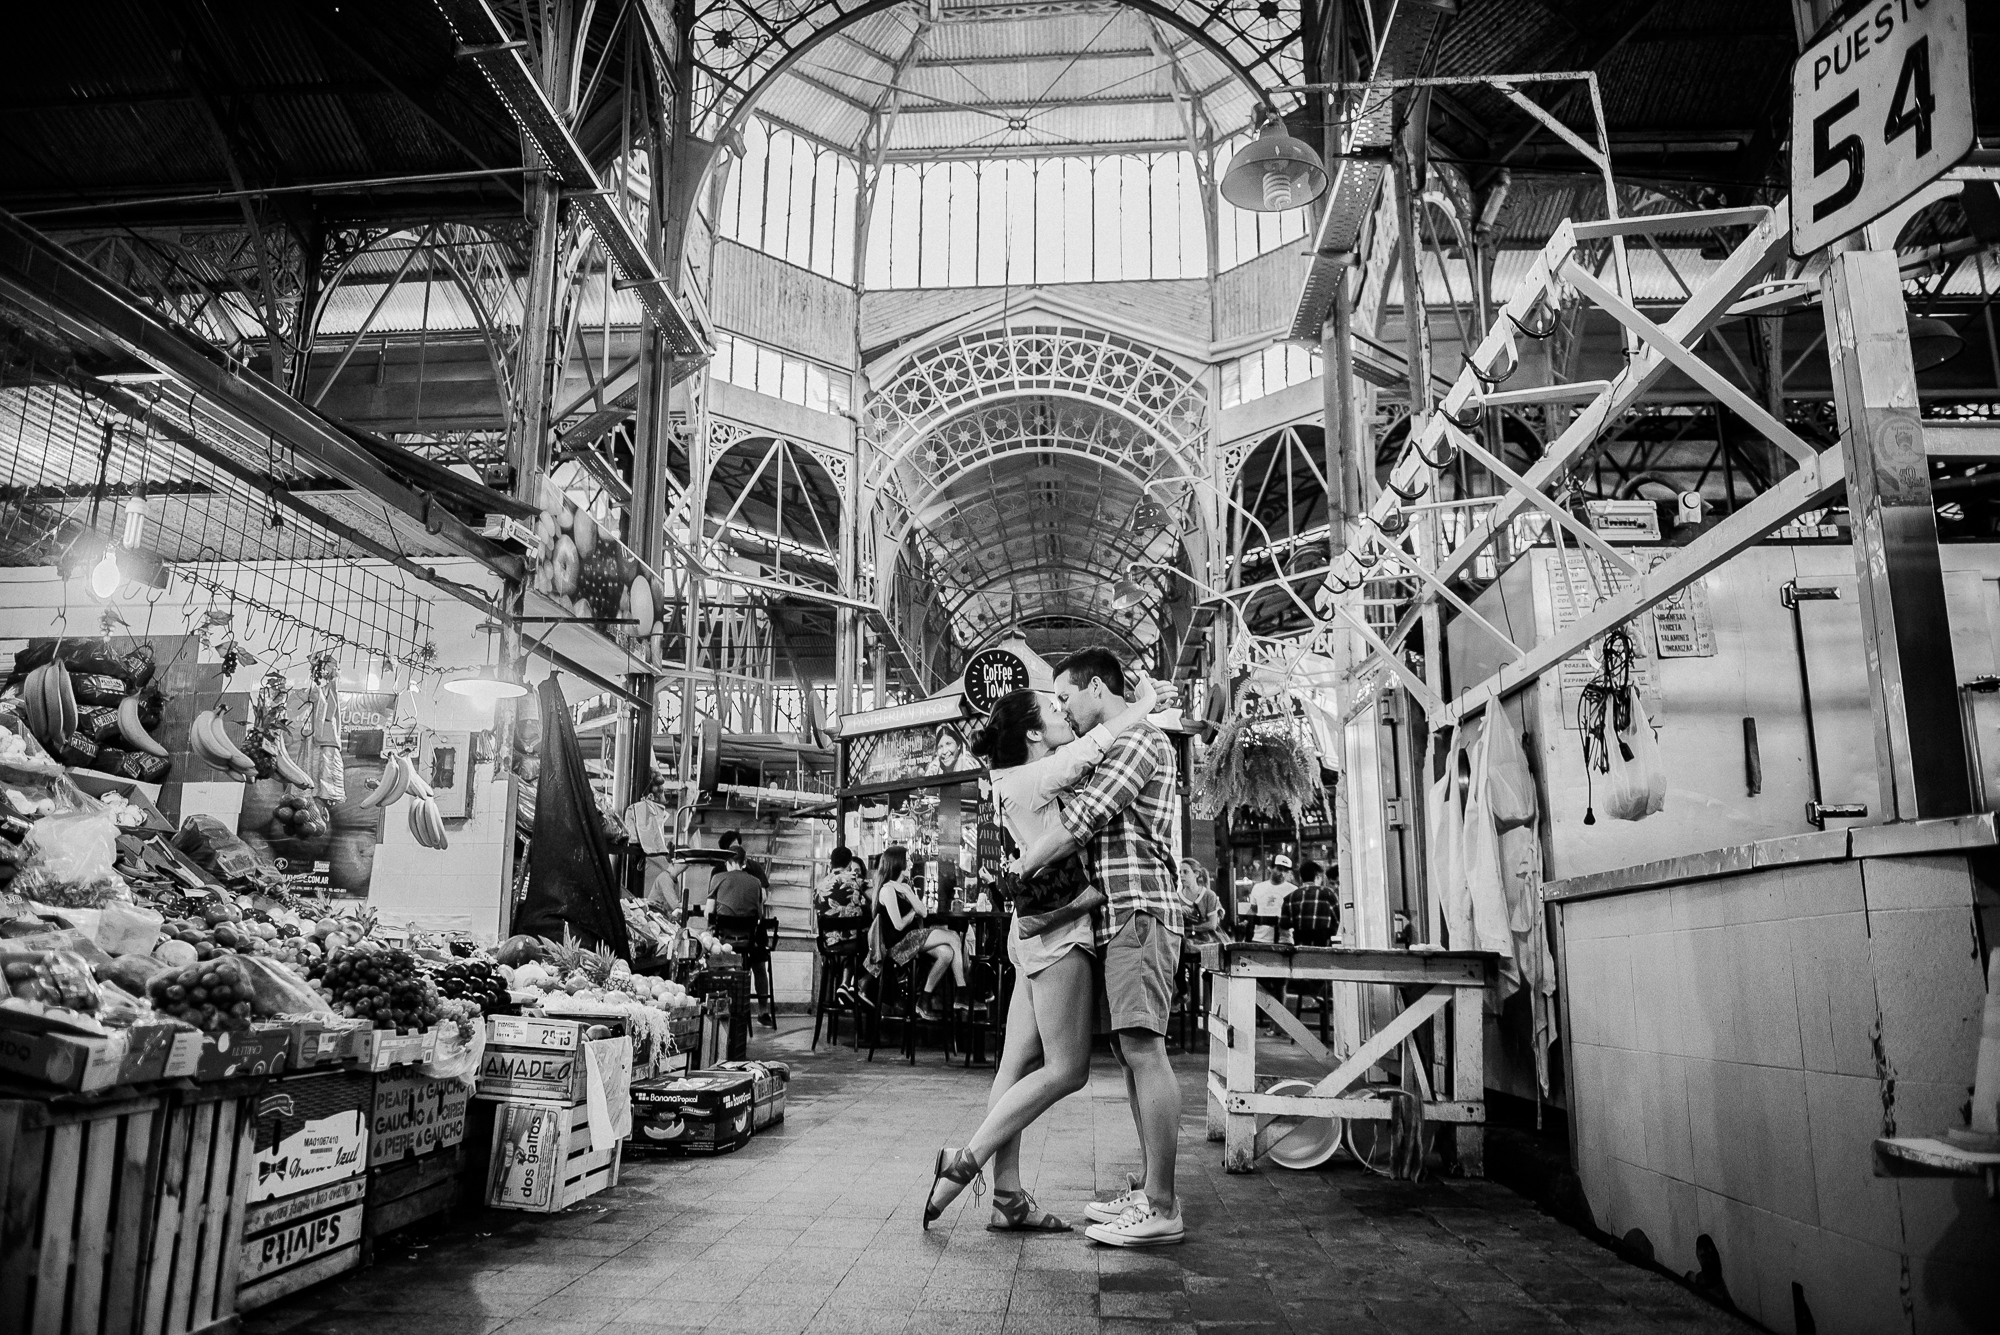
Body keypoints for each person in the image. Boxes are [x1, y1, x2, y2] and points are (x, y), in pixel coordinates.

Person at [922, 676, 1160, 1232]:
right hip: (1059, 930)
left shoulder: (1011, 779)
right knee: (1068, 1069)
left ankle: (1007, 1198)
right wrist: (1144, 704)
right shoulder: (1033, 777)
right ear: (1033, 733)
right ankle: (965, 1160)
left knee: (1015, 1065)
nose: (1061, 711)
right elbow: (1093, 748)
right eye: (1052, 708)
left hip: (1029, 929)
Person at [1016, 647, 1185, 1248]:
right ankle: (1150, 1190)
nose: (1062, 708)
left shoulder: (1139, 743)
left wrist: (1020, 867)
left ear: (1096, 688)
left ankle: (1162, 1206)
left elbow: (1080, 821)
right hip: (1120, 916)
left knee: (1144, 1050)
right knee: (1130, 1052)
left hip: (1140, 909)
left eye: (1065, 697)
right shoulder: (1119, 740)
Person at [871, 844, 967, 1022]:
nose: (910, 863)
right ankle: (962, 992)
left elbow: (923, 912)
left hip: (911, 937)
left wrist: (907, 892)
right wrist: (911, 911)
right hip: (899, 945)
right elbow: (899, 925)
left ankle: (924, 1000)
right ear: (898, 863)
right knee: (953, 936)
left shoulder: (903, 887)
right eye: (907, 860)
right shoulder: (887, 890)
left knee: (947, 953)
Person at [706, 846, 777, 1027]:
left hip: (724, 943)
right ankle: (763, 1011)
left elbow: (709, 913)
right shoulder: (756, 883)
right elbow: (759, 915)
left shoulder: (717, 878)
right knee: (759, 966)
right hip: (750, 942)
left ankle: (725, 1007)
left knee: (714, 957)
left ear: (727, 862)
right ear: (744, 862)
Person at [814, 845, 871, 1008]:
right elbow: (868, 907)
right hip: (852, 943)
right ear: (849, 864)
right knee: (875, 944)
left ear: (831, 863)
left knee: (857, 944)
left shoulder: (819, 886)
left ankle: (846, 986)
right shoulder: (854, 882)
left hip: (828, 944)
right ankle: (857, 986)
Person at [1280, 858, 1340, 947]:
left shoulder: (1290, 897)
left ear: (1301, 877)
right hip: (1324, 947)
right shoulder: (1328, 894)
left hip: (1300, 948)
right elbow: (1338, 919)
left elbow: (1284, 925)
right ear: (1317, 876)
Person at [1245, 855, 1295, 944]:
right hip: (1259, 938)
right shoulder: (1258, 888)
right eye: (1279, 869)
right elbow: (1253, 910)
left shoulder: (1293, 890)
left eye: (1285, 871)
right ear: (1271, 868)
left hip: (1284, 939)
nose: (1282, 873)